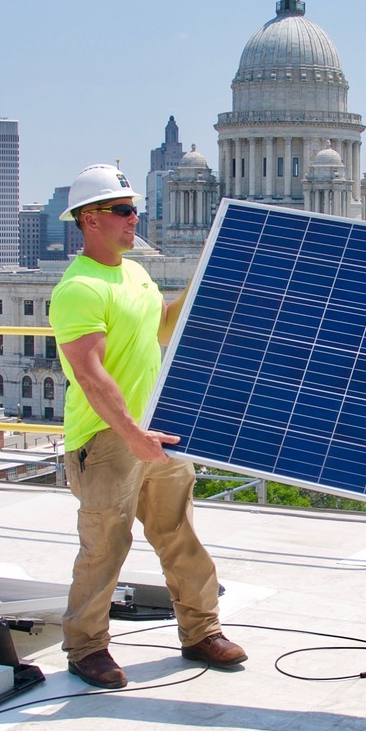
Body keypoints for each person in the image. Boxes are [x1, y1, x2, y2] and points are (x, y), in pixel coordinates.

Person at [49, 163, 245, 688]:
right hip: (108, 438)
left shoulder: (133, 272)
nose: (135, 217)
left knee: (178, 533)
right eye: (122, 210)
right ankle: (87, 647)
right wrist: (133, 434)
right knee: (104, 546)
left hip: (156, 429)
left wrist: (205, 276)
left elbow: (162, 325)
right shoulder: (79, 288)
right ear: (89, 219)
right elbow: (90, 375)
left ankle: (201, 631)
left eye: (134, 208)